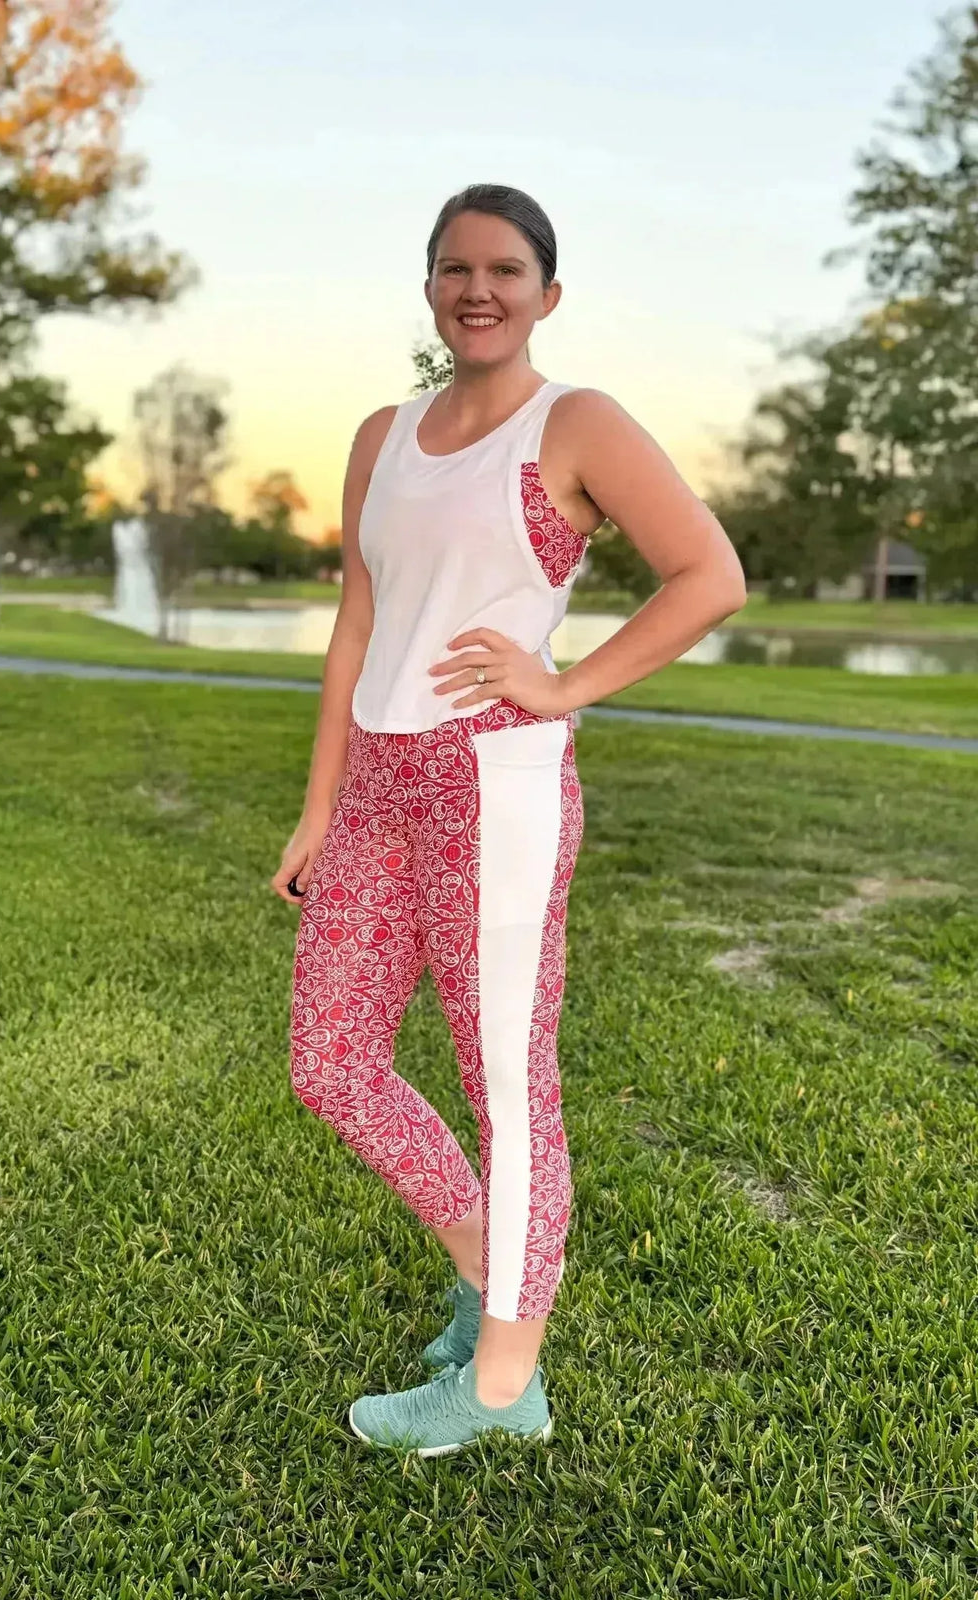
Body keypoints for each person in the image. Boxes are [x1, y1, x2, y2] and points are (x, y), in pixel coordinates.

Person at [272, 182, 747, 1457]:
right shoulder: (382, 435)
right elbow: (358, 621)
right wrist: (319, 804)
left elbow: (710, 574)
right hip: (378, 784)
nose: (477, 289)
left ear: (547, 292)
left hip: (496, 783)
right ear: (430, 286)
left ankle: (501, 1388)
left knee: (507, 1086)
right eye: (455, 268)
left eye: (505, 269)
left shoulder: (574, 422)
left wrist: (565, 682)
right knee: (332, 1061)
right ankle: (492, 1270)